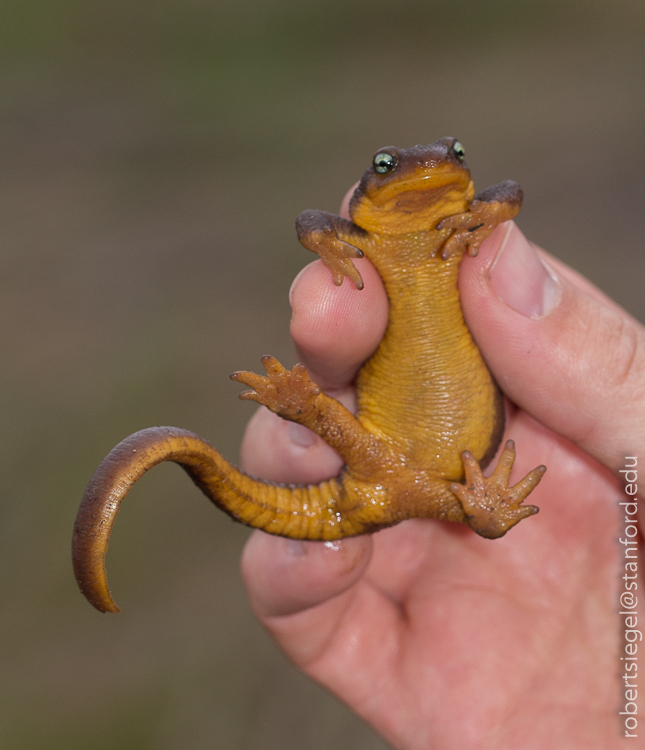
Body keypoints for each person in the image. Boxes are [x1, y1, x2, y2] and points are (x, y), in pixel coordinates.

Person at [239, 188, 645, 749]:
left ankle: (310, 413)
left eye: (451, 156)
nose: (422, 174)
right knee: (376, 456)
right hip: (434, 481)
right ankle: (316, 417)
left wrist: (494, 215)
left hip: (425, 481)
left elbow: (509, 198)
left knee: (371, 457)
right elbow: (310, 222)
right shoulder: (370, 241)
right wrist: (326, 248)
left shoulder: (463, 230)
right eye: (387, 168)